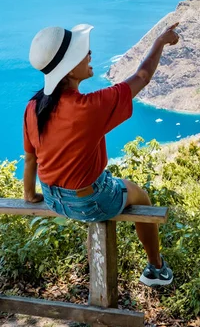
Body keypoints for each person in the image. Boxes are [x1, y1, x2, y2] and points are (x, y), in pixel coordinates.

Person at [23, 21, 179, 287]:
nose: (90, 54)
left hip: (52, 198)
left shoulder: (34, 106)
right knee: (140, 194)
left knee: (100, 189)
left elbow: (30, 159)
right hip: (89, 202)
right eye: (84, 53)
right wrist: (160, 42)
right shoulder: (90, 107)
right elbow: (142, 76)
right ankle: (156, 267)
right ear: (71, 69)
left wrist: (30, 195)